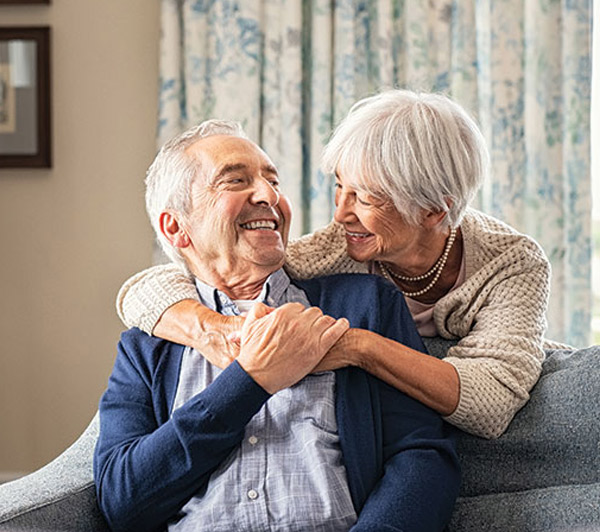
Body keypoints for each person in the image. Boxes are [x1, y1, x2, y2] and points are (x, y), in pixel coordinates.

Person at [94, 120, 461, 532]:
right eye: (236, 180)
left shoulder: (363, 305)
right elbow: (123, 500)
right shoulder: (149, 346)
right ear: (176, 227)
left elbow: (423, 460)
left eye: (272, 180)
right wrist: (251, 381)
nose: (267, 194)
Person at [116, 90, 551, 440]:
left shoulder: (512, 264)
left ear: (434, 211)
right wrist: (215, 329)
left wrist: (358, 347)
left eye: (365, 197)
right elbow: (151, 286)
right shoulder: (337, 247)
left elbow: (491, 403)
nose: (341, 213)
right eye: (340, 187)